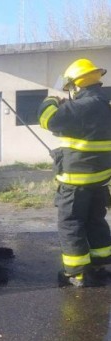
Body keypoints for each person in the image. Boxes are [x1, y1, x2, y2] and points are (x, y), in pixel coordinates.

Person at [37, 58, 111, 287]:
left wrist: (51, 99)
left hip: (74, 184)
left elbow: (46, 119)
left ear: (77, 85)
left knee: (71, 224)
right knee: (96, 221)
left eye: (70, 88)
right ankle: (100, 265)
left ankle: (76, 274)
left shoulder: (80, 107)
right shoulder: (106, 105)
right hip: (100, 182)